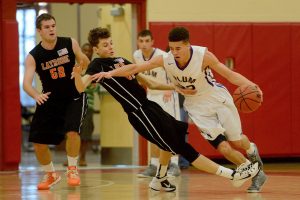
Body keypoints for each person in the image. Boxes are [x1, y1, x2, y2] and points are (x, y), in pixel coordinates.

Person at [72, 27, 260, 192]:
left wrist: (176, 88)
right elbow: (81, 87)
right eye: (105, 45)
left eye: (111, 43)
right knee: (180, 147)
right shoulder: (97, 65)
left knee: (175, 136)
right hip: (138, 112)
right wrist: (78, 77)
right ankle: (233, 175)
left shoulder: (121, 60)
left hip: (149, 106)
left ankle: (160, 178)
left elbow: (150, 82)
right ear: (96, 49)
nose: (110, 47)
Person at [23, 13, 90, 190]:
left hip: (73, 95)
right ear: (39, 31)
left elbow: (85, 61)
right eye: (47, 27)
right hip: (50, 99)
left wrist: (81, 65)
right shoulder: (34, 55)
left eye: (53, 25)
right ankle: (51, 174)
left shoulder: (69, 42)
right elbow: (26, 84)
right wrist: (36, 95)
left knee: (72, 132)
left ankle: (72, 169)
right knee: (38, 143)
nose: (51, 29)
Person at [134, 29, 181, 177]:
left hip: (167, 94)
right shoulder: (136, 55)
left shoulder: (162, 55)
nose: (144, 44)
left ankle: (174, 164)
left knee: (170, 130)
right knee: (152, 131)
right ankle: (154, 165)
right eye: (141, 41)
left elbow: (176, 72)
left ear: (152, 42)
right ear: (138, 42)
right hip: (151, 96)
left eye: (147, 41)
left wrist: (170, 88)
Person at [63, 43, 100, 167]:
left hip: (87, 105)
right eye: (85, 50)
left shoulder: (94, 68)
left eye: (90, 50)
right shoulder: (72, 67)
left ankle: (83, 157)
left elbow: (96, 88)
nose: (87, 52)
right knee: (70, 133)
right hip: (72, 104)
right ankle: (70, 158)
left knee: (85, 134)